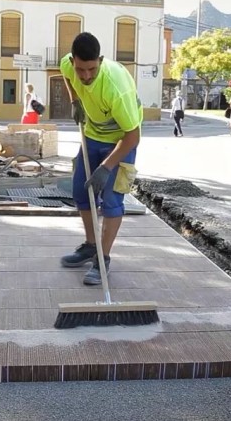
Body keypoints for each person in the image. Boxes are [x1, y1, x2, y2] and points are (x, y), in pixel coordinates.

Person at [59, 32, 142, 286]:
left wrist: (107, 167)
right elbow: (66, 74)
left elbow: (133, 136)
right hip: (93, 135)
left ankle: (102, 258)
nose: (85, 76)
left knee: (111, 201)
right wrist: (75, 100)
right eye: (81, 69)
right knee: (81, 192)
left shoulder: (116, 88)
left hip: (121, 140)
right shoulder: (68, 65)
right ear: (73, 61)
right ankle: (90, 246)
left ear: (101, 61)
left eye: (91, 69)